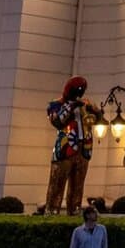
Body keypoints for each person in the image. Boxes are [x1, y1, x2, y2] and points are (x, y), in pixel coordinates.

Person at [46, 76, 102, 214]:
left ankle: (75, 210)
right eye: (77, 89)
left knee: (78, 185)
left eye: (82, 89)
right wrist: (70, 106)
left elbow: (98, 118)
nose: (80, 92)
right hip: (65, 149)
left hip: (84, 149)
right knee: (57, 183)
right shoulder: (56, 104)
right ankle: (52, 211)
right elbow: (57, 121)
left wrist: (93, 109)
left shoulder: (86, 103)